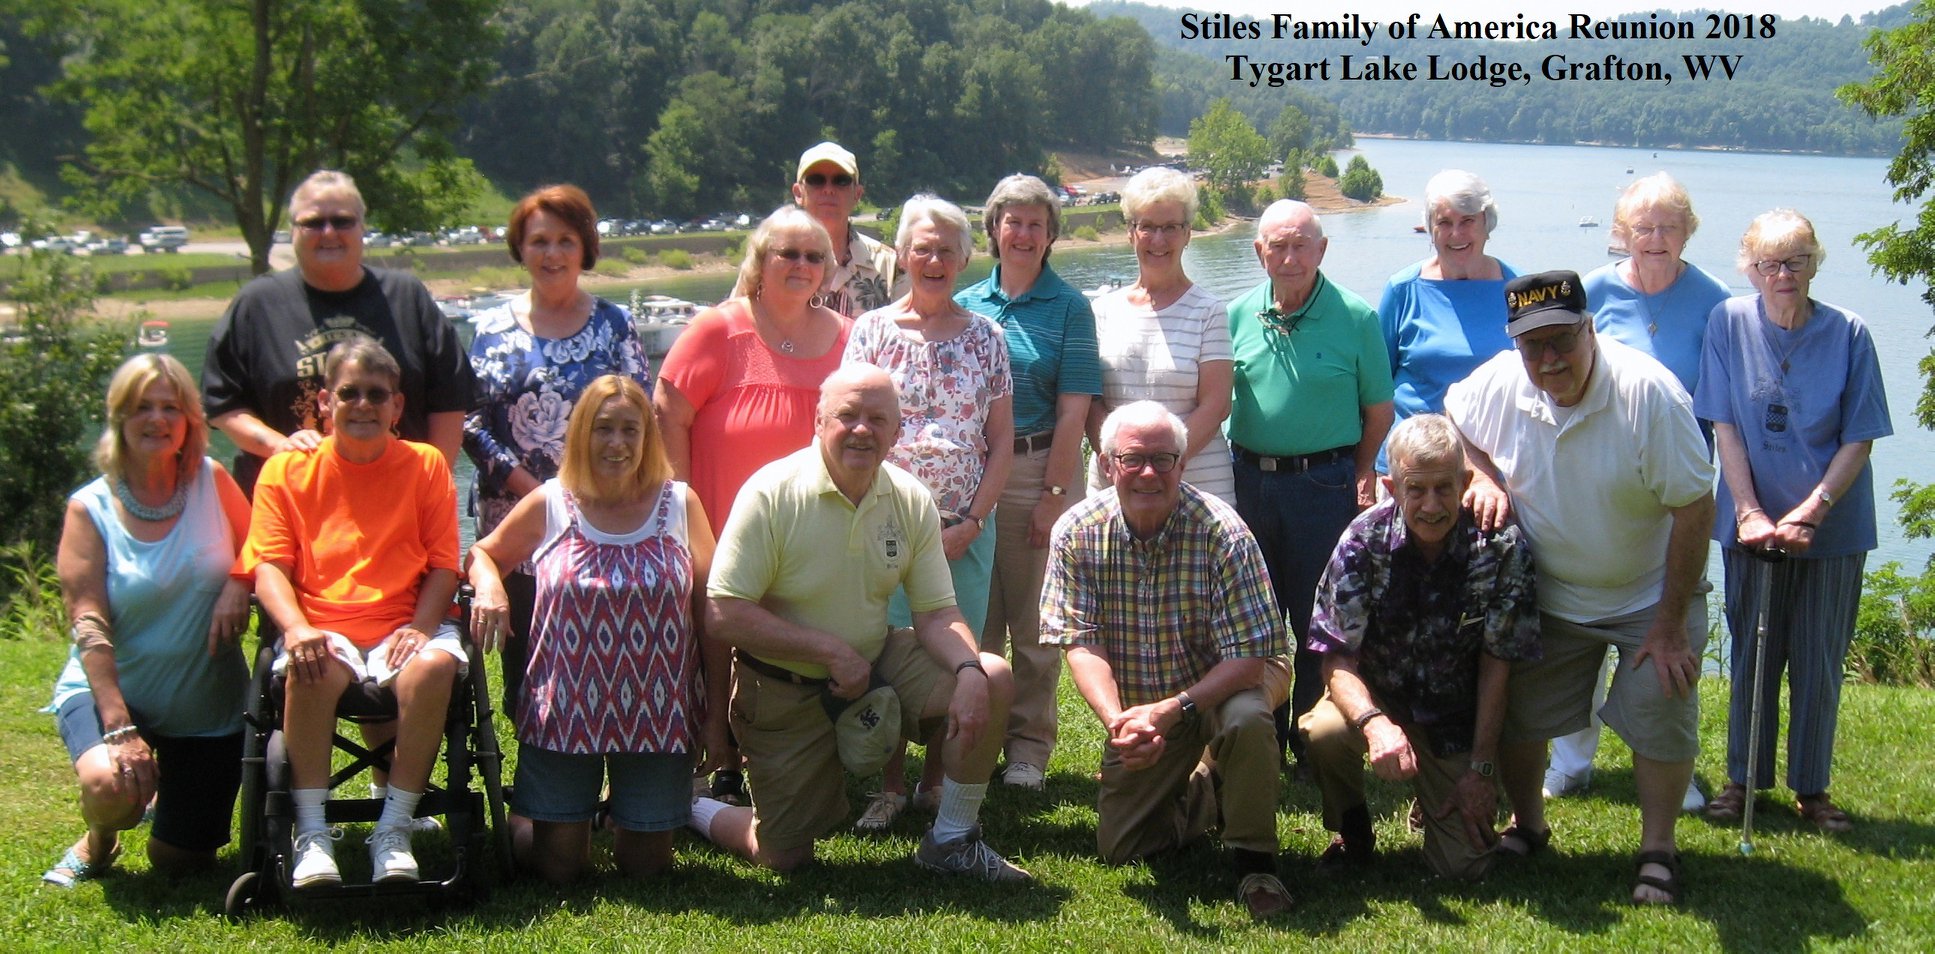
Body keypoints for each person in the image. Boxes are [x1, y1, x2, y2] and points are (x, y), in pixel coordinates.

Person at [688, 365, 1029, 882]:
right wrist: (828, 651)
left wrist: (966, 671)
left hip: (876, 659)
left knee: (991, 675)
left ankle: (952, 840)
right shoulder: (771, 492)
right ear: (819, 420)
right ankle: (688, 807)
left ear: (897, 432)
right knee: (782, 854)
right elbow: (723, 612)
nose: (862, 429)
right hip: (782, 683)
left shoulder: (909, 497)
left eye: (878, 419)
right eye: (847, 415)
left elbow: (936, 611)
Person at [1445, 270, 1716, 906]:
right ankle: (1529, 827)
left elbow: (1696, 507)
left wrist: (1671, 624)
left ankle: (1658, 849)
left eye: (1561, 340)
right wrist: (1479, 475)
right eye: (1531, 346)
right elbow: (1452, 420)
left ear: (1590, 329)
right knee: (1518, 717)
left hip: (1650, 591)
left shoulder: (1651, 396)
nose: (1547, 359)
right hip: (1552, 588)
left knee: (1660, 705)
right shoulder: (1502, 381)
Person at [1041, 401, 1295, 920]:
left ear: (1183, 463)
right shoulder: (1076, 532)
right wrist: (1119, 723)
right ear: (1108, 464)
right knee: (1123, 849)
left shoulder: (1223, 531)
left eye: (1164, 458)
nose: (1149, 473)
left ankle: (1256, 862)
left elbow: (1249, 660)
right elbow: (1081, 643)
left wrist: (1173, 709)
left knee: (1245, 718)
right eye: (1133, 459)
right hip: (1150, 705)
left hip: (1235, 675)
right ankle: (1210, 780)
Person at [468, 375, 725, 882]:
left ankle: (635, 814)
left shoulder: (679, 505)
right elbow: (482, 553)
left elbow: (711, 613)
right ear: (581, 434)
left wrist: (715, 713)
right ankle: (527, 823)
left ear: (648, 438)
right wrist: (490, 586)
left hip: (659, 711)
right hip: (565, 709)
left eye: (631, 430)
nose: (617, 443)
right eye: (603, 429)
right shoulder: (551, 502)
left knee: (646, 871)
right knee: (558, 869)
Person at [238, 336, 466, 889]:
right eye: (349, 393)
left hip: (404, 622)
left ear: (396, 405)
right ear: (324, 402)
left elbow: (442, 565)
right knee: (310, 666)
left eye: (376, 394)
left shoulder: (426, 464)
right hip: (322, 624)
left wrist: (419, 627)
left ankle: (394, 828)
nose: (362, 404)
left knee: (435, 667)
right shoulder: (286, 471)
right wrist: (294, 628)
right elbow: (268, 565)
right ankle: (313, 835)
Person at [1696, 209, 1891, 834]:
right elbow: (1725, 424)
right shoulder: (1728, 321)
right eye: (1770, 263)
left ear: (1815, 262)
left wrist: (1813, 512)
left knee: (1818, 657)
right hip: (1751, 524)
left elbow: (1859, 439)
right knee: (1754, 652)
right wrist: (1748, 510)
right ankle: (1742, 780)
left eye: (1797, 261)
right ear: (1749, 267)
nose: (1784, 274)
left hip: (1833, 527)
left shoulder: (1850, 334)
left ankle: (1813, 788)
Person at [654, 205, 853, 803]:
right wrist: (680, 512)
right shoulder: (717, 329)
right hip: (716, 522)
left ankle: (799, 759)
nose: (801, 265)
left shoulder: (849, 337)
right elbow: (668, 415)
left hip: (810, 529)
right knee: (717, 641)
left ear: (830, 267)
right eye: (787, 253)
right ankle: (716, 752)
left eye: (814, 255)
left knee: (795, 640)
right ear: (759, 262)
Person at [1550, 173, 1733, 807]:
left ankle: (1658, 759)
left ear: (1688, 231)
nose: (1655, 239)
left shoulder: (1717, 304)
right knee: (1576, 625)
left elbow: (1725, 407)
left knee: (1661, 622)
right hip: (1585, 483)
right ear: (1621, 233)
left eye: (1668, 227)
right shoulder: (1589, 294)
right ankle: (1570, 761)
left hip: (1673, 492)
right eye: (1642, 227)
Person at [41, 355, 253, 888]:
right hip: (116, 693)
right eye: (141, 407)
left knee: (178, 862)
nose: (156, 419)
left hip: (208, 706)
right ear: (119, 418)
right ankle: (99, 838)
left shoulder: (213, 479)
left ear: (189, 421)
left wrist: (239, 582)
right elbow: (86, 620)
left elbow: (266, 549)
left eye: (169, 407)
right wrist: (120, 728)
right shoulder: (89, 508)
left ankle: (170, 799)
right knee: (112, 790)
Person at [1301, 413, 1540, 881]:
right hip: (1379, 699)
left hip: (1453, 718)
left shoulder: (1500, 546)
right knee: (1324, 732)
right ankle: (1354, 832)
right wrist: (1374, 726)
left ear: (1465, 481)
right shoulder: (1362, 540)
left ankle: (1438, 795)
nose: (1432, 505)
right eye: (1416, 490)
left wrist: (1482, 768)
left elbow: (1499, 663)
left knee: (1463, 869)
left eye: (1444, 488)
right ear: (1391, 486)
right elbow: (1336, 654)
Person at [841, 195, 1014, 829]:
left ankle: (937, 780)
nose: (934, 259)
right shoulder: (871, 331)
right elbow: (846, 428)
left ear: (965, 257)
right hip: (883, 525)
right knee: (887, 651)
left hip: (965, 532)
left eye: (946, 249)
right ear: (904, 257)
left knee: (957, 651)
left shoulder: (987, 337)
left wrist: (972, 520)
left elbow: (1001, 441)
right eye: (922, 248)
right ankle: (889, 784)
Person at [464, 184, 650, 712]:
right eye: (538, 240)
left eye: (565, 241)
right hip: (515, 520)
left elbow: (640, 414)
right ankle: (539, 770)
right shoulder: (491, 327)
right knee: (530, 664)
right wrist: (535, 494)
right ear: (520, 248)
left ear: (585, 248)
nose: (552, 254)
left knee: (606, 654)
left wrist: (586, 496)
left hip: (603, 519)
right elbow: (472, 423)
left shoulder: (615, 325)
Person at [1227, 199, 1395, 765]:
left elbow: (1379, 410)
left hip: (1322, 484)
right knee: (1255, 614)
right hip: (1247, 481)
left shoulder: (1355, 316)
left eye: (1302, 244)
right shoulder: (1237, 314)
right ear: (1259, 252)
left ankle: (1311, 733)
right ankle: (1262, 731)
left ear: (1322, 250)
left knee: (1315, 617)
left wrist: (1358, 470)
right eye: (1278, 245)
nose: (1291, 256)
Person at [955, 173, 1101, 790]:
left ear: (1050, 236)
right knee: (973, 618)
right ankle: (975, 742)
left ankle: (1029, 750)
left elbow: (1075, 409)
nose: (1023, 233)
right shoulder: (964, 303)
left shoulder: (1070, 308)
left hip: (1036, 470)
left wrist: (1055, 496)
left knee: (1034, 626)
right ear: (993, 229)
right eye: (1012, 221)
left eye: (1036, 223)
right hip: (967, 477)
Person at [202, 169, 473, 493]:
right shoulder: (257, 304)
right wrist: (279, 446)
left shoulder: (407, 297)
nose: (328, 232)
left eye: (342, 221)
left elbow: (450, 403)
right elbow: (222, 404)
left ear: (362, 228)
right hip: (292, 500)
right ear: (293, 231)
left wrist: (430, 484)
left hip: (395, 497)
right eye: (314, 222)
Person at [1086, 167, 1234, 505]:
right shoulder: (1101, 311)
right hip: (1115, 488)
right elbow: (1091, 402)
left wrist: (1161, 468)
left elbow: (1215, 406)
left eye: (1170, 227)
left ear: (1187, 234)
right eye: (1147, 226)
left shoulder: (1210, 311)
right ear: (1130, 232)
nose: (1158, 240)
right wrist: (1123, 467)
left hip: (1199, 488)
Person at [1376, 170, 1517, 473]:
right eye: (1444, 223)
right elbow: (1376, 387)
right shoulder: (1402, 290)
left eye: (1467, 221)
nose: (1456, 234)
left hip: (1492, 465)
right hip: (1411, 465)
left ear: (1486, 224)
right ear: (1430, 228)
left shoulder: (1517, 290)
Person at [792, 140, 898, 317]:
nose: (828, 189)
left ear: (857, 194)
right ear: (798, 193)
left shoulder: (891, 265)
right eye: (816, 180)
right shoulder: (775, 261)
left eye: (840, 181)